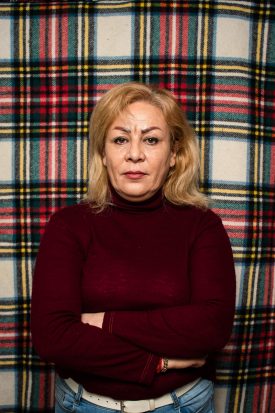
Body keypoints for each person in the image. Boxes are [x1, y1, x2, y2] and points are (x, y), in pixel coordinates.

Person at [31, 82, 236, 413]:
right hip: (85, 405)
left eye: (151, 139)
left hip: (184, 405)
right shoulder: (69, 225)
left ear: (174, 155)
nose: (135, 154)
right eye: (120, 139)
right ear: (103, 153)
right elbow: (52, 336)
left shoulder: (202, 226)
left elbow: (212, 328)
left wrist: (103, 322)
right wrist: (159, 363)